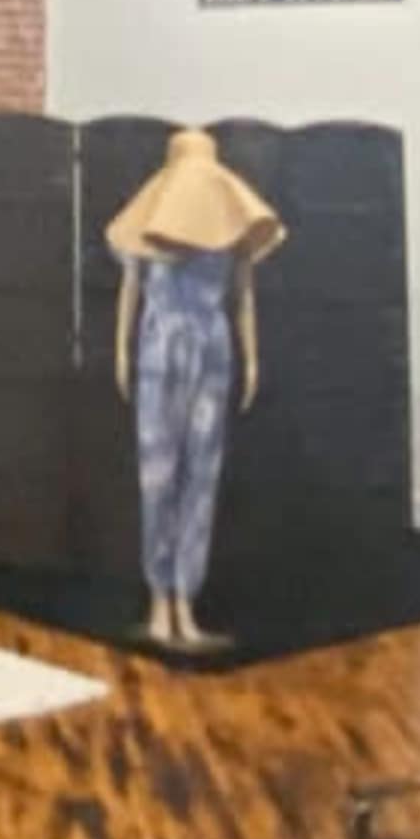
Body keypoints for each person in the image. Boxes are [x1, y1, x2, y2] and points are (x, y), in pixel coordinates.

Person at [104, 131, 284, 658]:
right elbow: (130, 293)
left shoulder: (232, 233)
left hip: (211, 351)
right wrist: (121, 353)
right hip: (160, 352)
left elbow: (242, 297)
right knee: (158, 475)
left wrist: (250, 358)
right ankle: (160, 598)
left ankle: (187, 597)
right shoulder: (145, 229)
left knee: (201, 476)